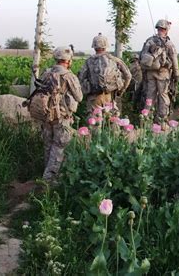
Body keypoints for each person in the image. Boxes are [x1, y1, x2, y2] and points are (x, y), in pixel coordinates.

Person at [30, 46, 83, 184]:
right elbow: (79, 97)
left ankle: (45, 173)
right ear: (68, 60)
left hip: (46, 115)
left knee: (48, 145)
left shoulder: (46, 73)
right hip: (61, 117)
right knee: (59, 147)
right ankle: (49, 181)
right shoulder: (68, 76)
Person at [78, 33, 131, 115]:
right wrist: (121, 91)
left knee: (95, 122)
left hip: (94, 97)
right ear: (106, 46)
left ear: (94, 46)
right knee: (111, 121)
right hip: (110, 96)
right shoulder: (114, 60)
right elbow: (128, 76)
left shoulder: (89, 61)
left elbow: (80, 78)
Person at [139, 19, 179, 124]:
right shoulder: (169, 43)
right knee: (163, 95)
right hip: (163, 73)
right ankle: (162, 120)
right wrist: (176, 73)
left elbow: (142, 57)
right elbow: (174, 59)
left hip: (150, 73)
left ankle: (145, 120)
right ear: (166, 30)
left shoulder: (149, 40)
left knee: (150, 95)